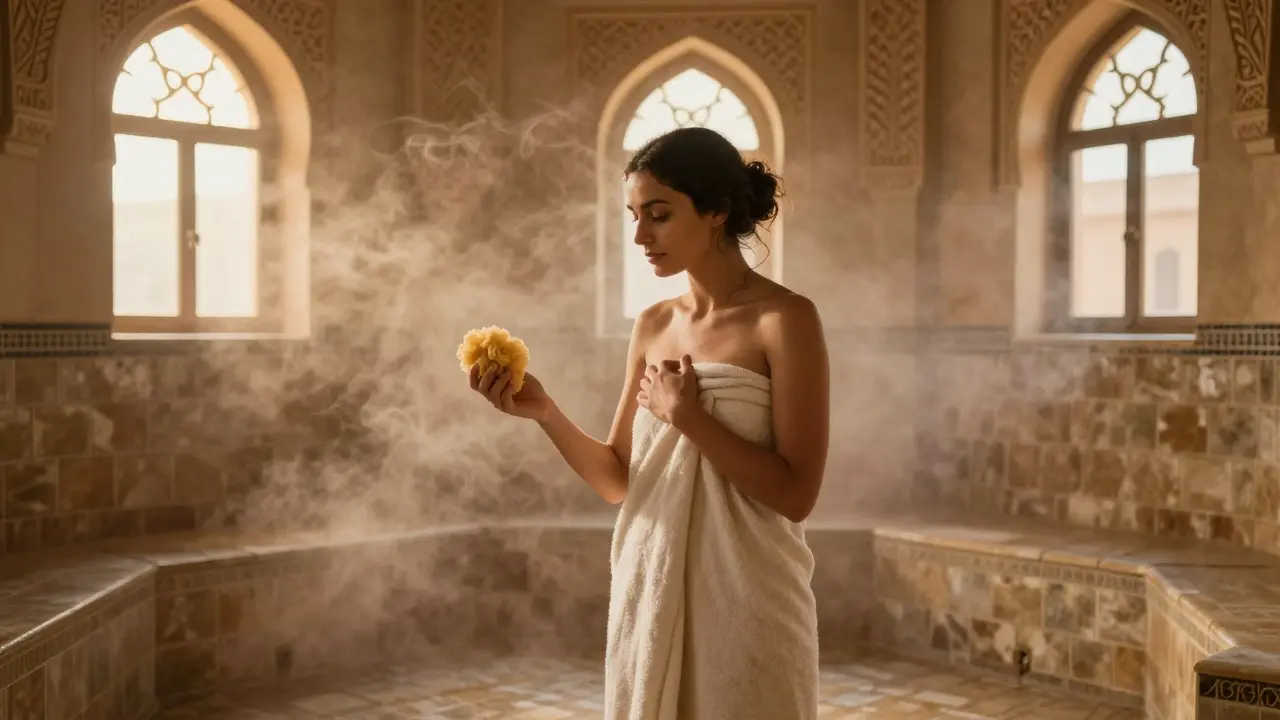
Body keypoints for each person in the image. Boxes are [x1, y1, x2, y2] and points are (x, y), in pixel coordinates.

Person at [469, 126, 829, 719]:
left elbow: (797, 494)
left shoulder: (785, 319)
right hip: (652, 590)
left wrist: (688, 417)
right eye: (633, 216)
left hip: (750, 600)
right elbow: (619, 479)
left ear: (714, 211)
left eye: (658, 215)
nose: (640, 235)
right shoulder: (654, 323)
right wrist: (544, 412)